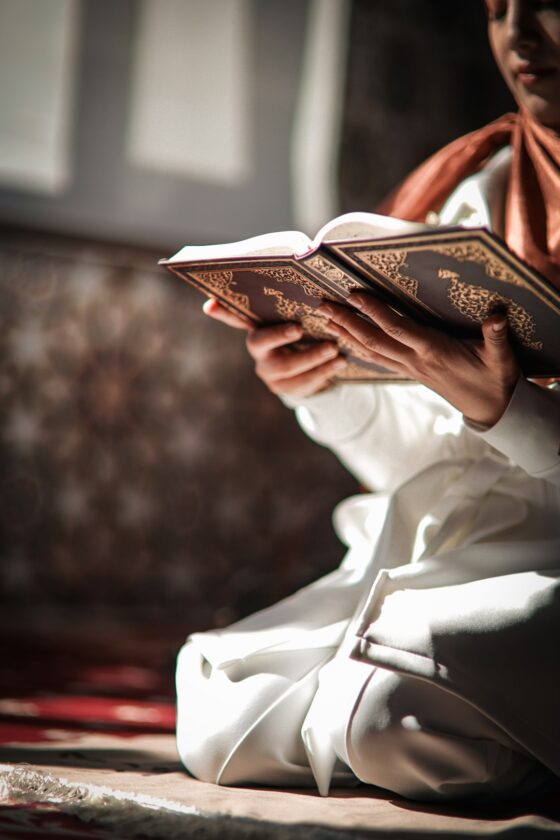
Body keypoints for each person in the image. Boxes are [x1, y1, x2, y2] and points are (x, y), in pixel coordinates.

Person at [176, 0, 560, 801]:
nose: (518, 37)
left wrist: (511, 412)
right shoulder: (473, 190)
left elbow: (496, 433)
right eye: (494, 7)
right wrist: (324, 393)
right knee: (217, 710)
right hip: (450, 537)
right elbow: (422, 457)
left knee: (387, 716)